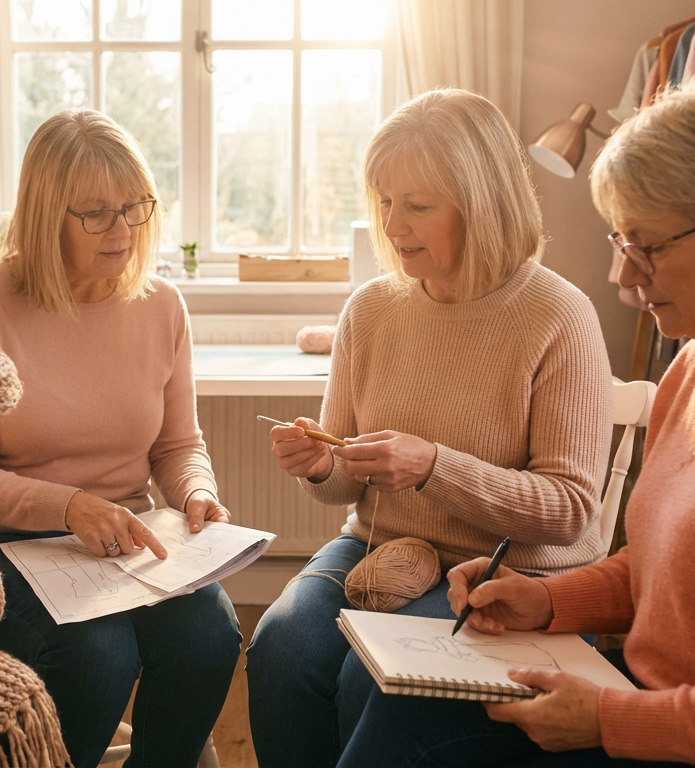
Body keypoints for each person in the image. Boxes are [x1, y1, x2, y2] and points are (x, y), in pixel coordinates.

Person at [337, 72, 695, 768]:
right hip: (653, 710)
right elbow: (665, 570)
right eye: (618, 240)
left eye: (648, 246)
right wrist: (546, 602)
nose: (621, 278)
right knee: (396, 704)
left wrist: (616, 719)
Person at [247, 87, 614, 768]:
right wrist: (321, 467)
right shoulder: (370, 310)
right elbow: (341, 494)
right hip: (378, 553)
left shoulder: (558, 315)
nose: (393, 224)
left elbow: (569, 511)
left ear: (483, 204)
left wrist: (432, 467)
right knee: (280, 648)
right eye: (384, 201)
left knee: (371, 678)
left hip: (509, 576)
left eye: (417, 206)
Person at [0, 108, 241, 768]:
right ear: (49, 214)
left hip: (125, 539)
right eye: (98, 213)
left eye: (137, 208)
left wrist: (196, 492)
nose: (125, 230)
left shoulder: (161, 304)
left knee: (211, 634)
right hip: (11, 544)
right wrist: (70, 507)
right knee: (100, 654)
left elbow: (177, 445)